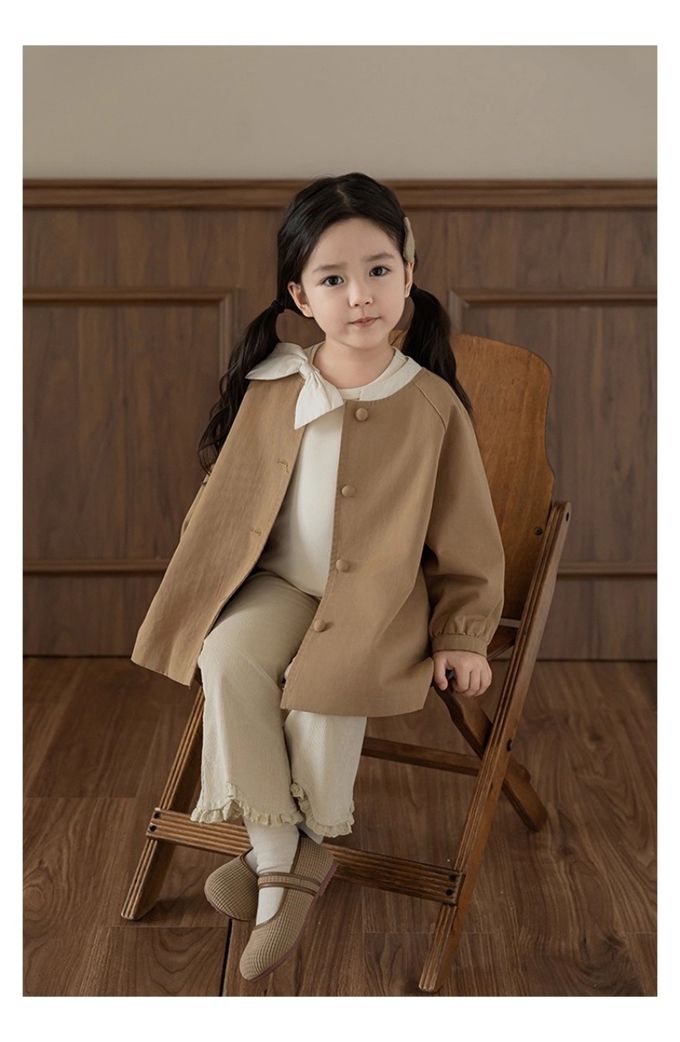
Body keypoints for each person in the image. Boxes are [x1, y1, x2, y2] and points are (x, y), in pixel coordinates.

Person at [130, 171, 505, 983]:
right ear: (300, 297)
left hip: (377, 603)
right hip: (278, 586)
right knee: (228, 656)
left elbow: (469, 539)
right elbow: (227, 499)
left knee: (325, 683)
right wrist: (203, 587)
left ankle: (283, 865)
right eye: (333, 279)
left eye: (378, 270)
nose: (360, 294)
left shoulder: (432, 406)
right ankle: (284, 855)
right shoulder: (274, 385)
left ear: (408, 275)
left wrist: (465, 635)